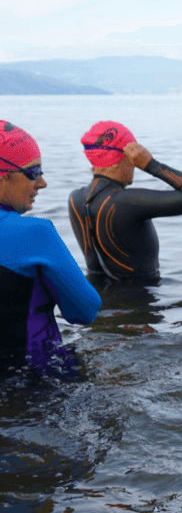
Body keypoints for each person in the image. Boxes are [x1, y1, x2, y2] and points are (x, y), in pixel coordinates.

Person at [0, 122, 101, 371]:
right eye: (34, 172)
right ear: (4, 175)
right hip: (35, 386)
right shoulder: (35, 234)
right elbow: (84, 311)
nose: (42, 183)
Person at [68, 121, 182, 280]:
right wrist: (151, 165)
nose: (134, 165)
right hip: (139, 300)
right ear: (123, 155)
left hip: (97, 299)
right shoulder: (125, 202)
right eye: (134, 157)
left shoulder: (75, 198)